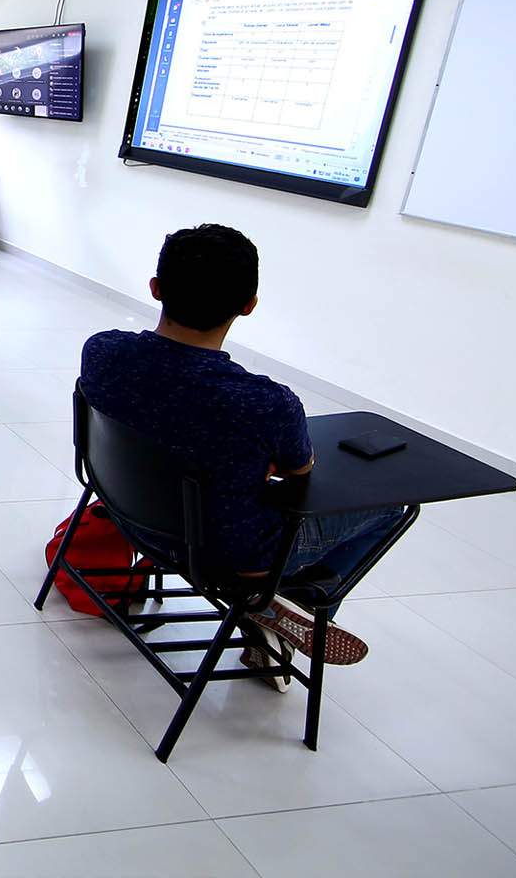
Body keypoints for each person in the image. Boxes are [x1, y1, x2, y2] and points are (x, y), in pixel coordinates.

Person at [79, 224, 404, 680]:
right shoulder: (265, 403)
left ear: (156, 289)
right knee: (394, 507)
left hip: (129, 516)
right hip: (226, 556)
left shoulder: (103, 351)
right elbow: (300, 469)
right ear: (249, 306)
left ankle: (272, 611)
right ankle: (278, 603)